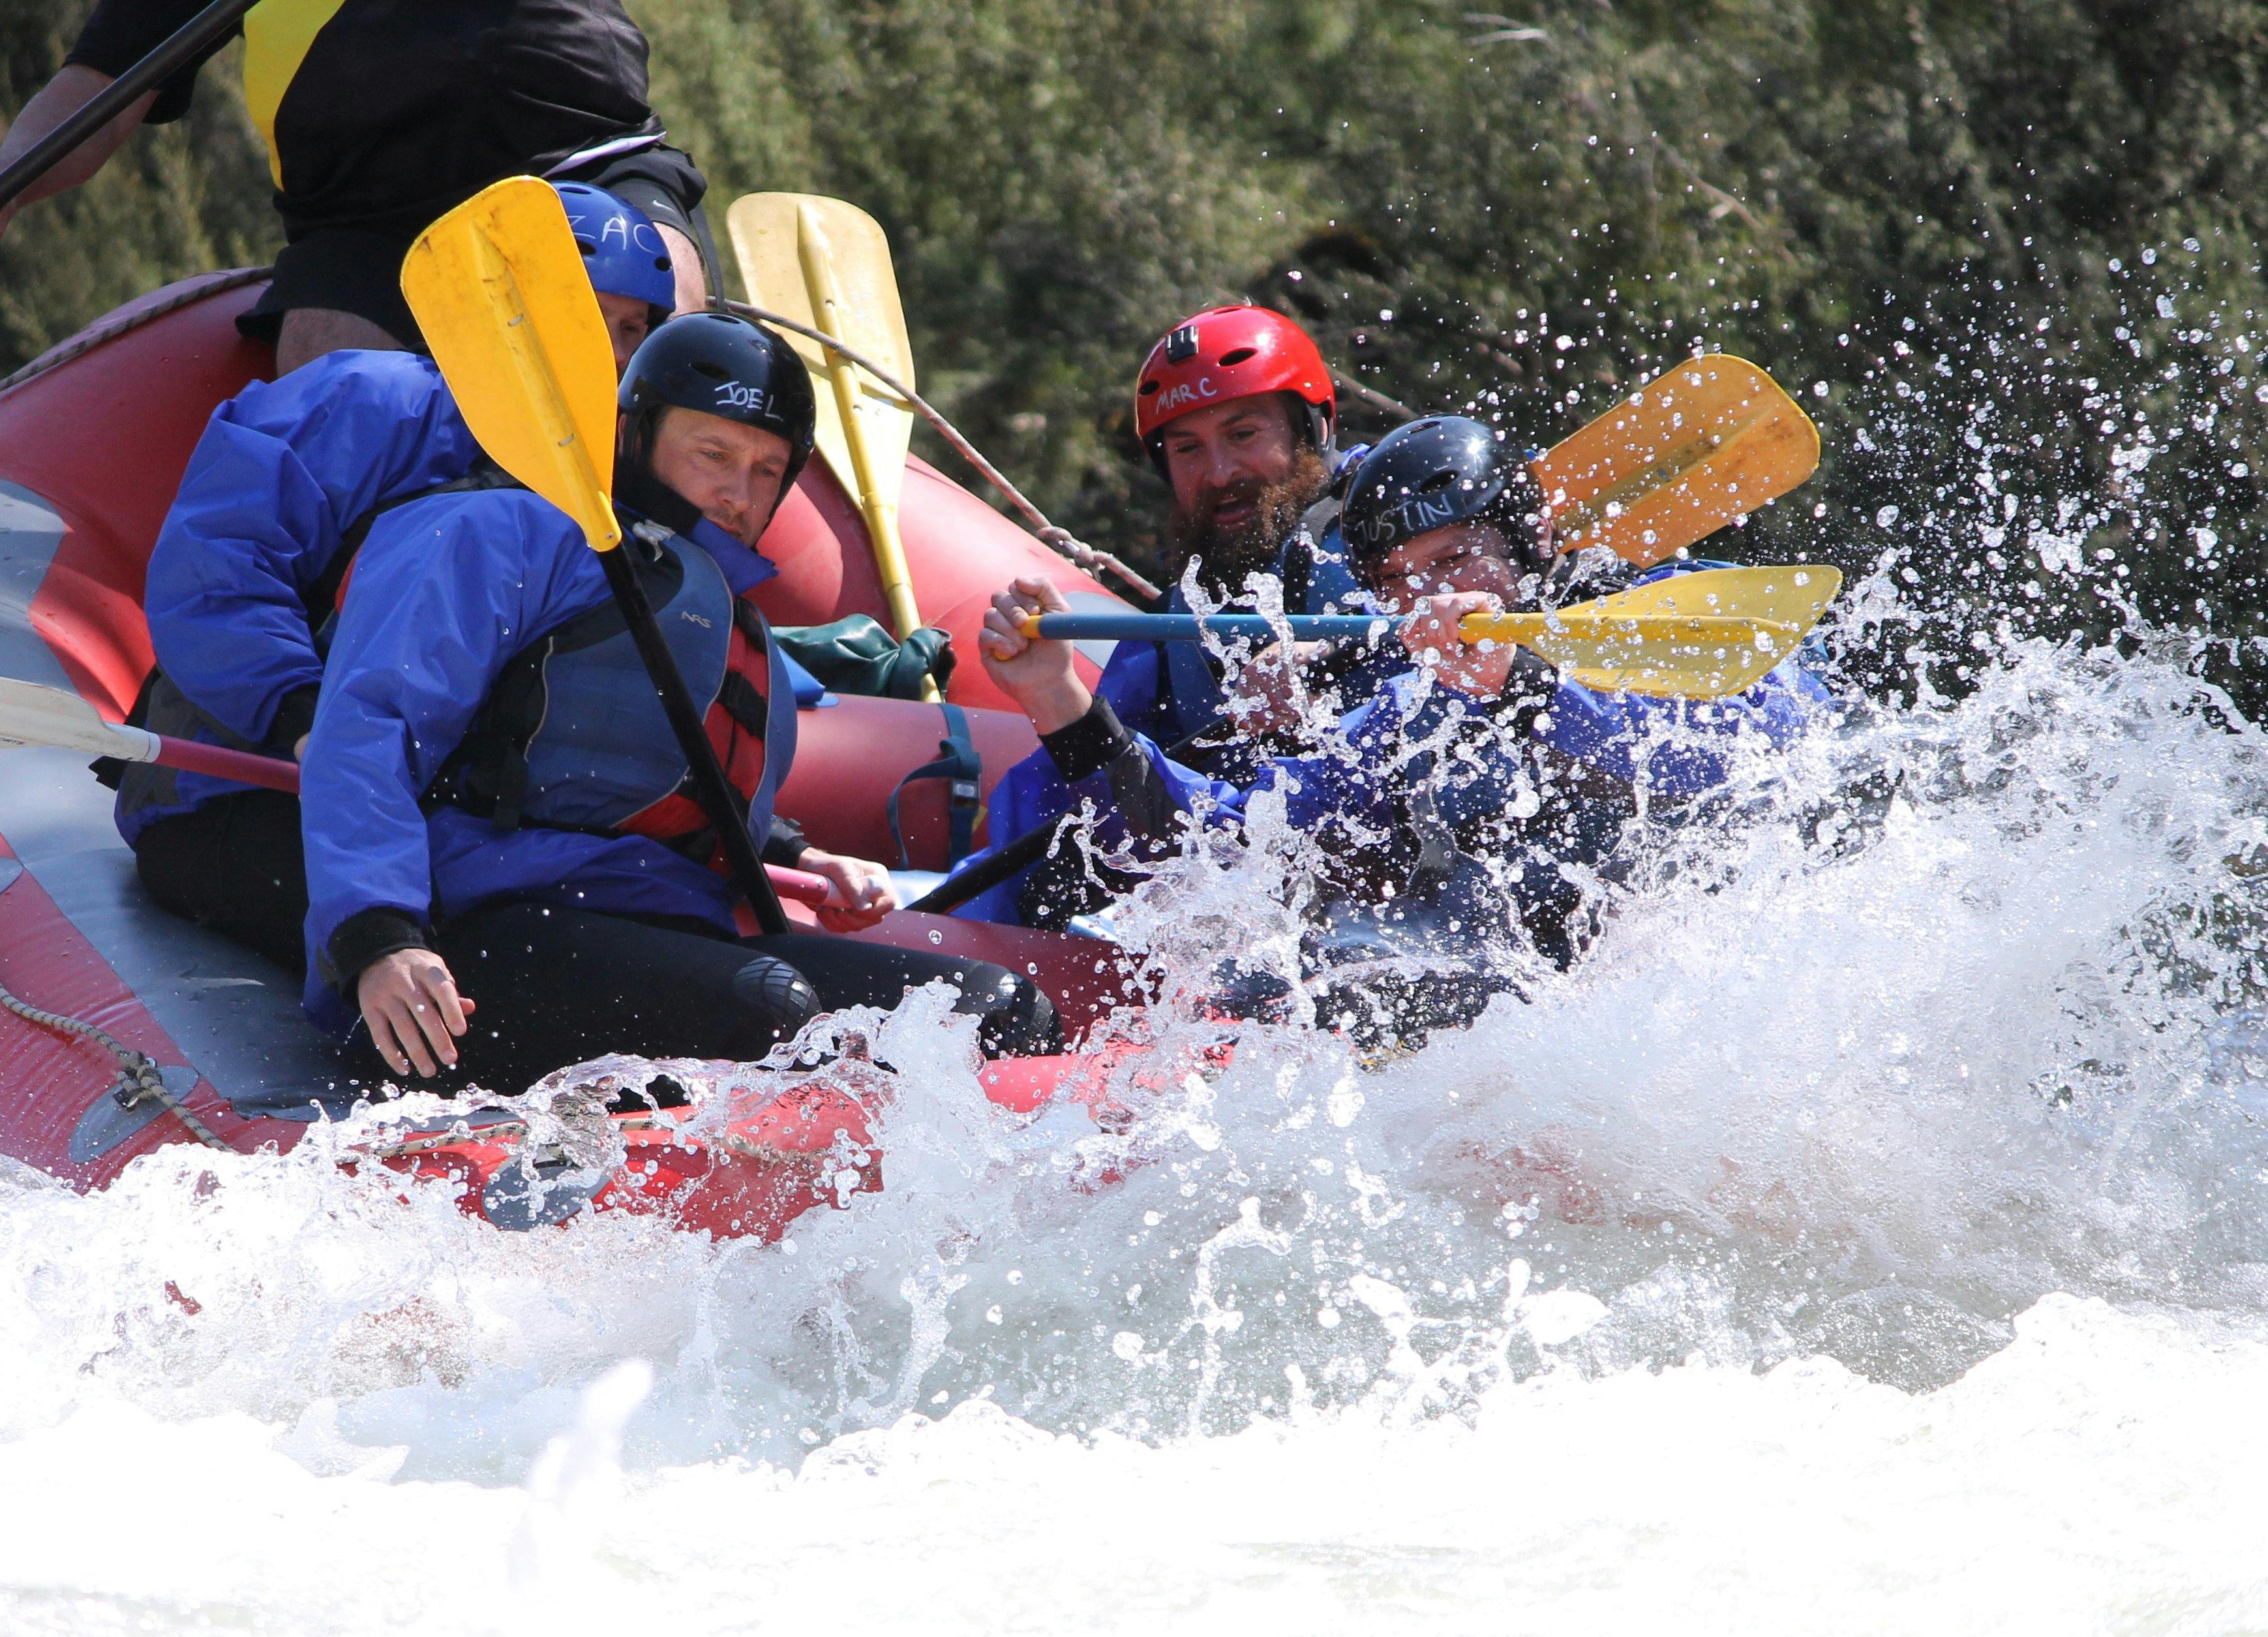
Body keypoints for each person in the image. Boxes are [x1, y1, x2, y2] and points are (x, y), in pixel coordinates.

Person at [299, 312, 1063, 1087]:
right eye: (714, 454)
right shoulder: (495, 531)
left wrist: (793, 852)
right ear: (634, 434)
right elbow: (366, 734)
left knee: (998, 1013)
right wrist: (379, 939)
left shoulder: (720, 606)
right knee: (771, 1010)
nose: (739, 492)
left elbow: (642, 786)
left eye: (767, 470)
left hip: (660, 928)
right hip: (466, 940)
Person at [967, 415, 1833, 1035]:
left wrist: (1524, 685)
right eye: (1397, 579)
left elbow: (1757, 751)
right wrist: (1063, 706)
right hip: (1541, 1006)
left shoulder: (1646, 619)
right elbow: (1222, 840)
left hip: (1715, 992)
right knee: (1310, 972)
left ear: (1523, 548)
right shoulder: (1410, 714)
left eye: (1454, 559)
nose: (1430, 598)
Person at [113, 181, 676, 971]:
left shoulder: (604, 475)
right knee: (484, 945)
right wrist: (304, 717)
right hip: (246, 789)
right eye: (593, 316)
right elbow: (217, 573)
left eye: (633, 328)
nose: (615, 351)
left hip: (435, 814)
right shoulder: (368, 401)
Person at [0, 0, 715, 373]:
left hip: (586, 165)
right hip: (366, 227)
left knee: (660, 313)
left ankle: (667, 602)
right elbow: (100, 89)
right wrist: (5, 175)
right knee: (328, 385)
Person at [1010, 305, 1385, 784]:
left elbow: (1469, 626)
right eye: (1188, 449)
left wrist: (1332, 652)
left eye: (1243, 434)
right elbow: (1107, 810)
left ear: (1315, 430)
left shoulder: (1395, 526)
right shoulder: (1171, 633)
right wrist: (1052, 695)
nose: (1219, 473)